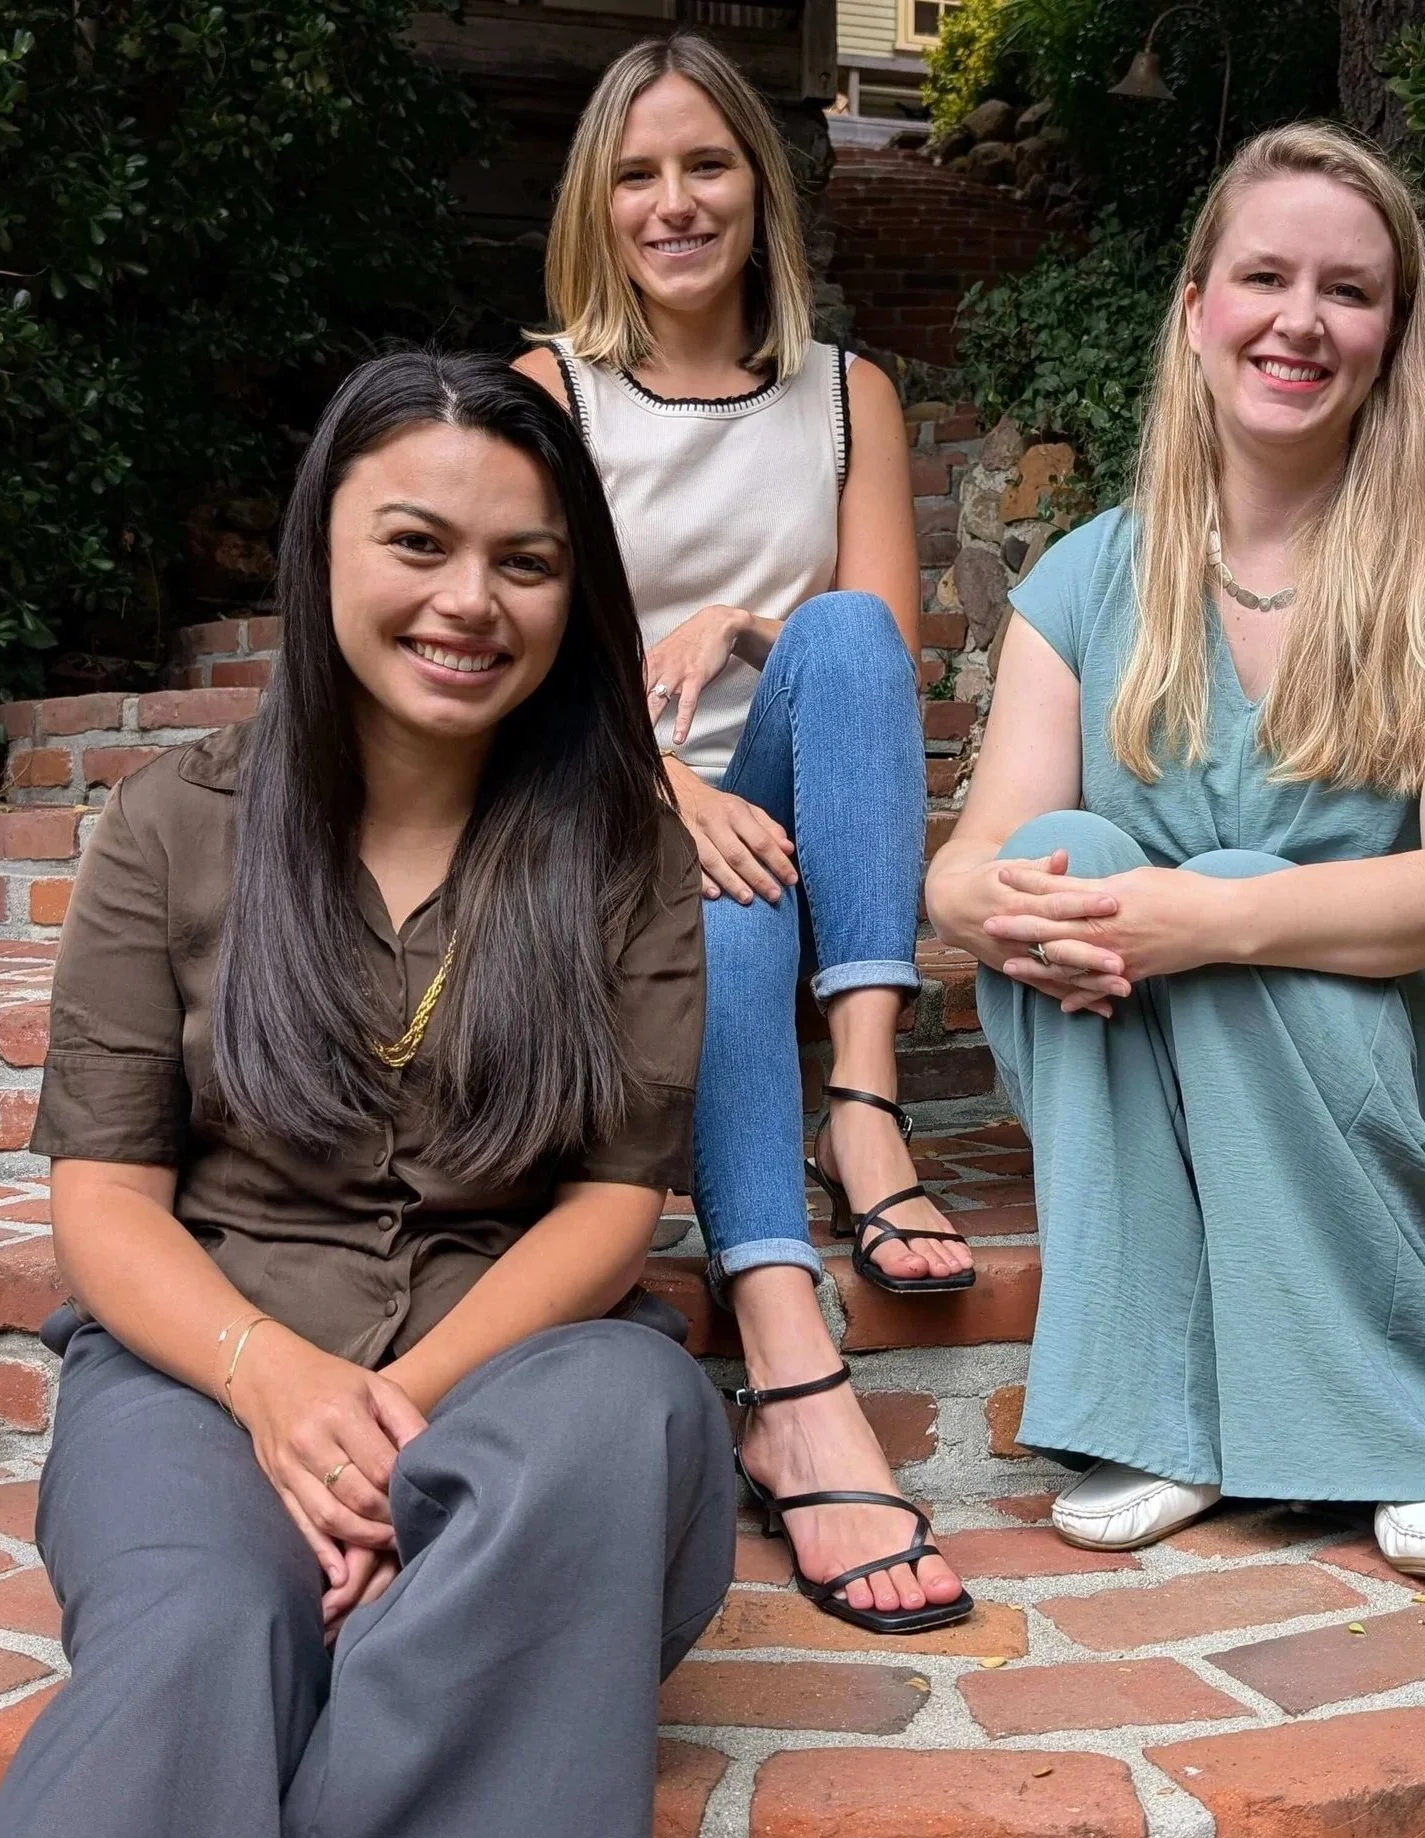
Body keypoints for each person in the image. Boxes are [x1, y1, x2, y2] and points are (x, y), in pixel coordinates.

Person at [0, 353, 733, 1838]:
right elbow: (105, 1198)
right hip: (204, 1369)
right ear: (322, 543)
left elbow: (610, 1204)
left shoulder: (626, 853)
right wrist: (268, 1380)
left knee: (625, 1420)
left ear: (573, 594)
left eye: (526, 563)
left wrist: (387, 1429)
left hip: (517, 1380)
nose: (470, 601)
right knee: (200, 1628)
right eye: (417, 544)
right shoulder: (172, 828)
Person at [926, 124, 1425, 1583]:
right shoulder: (1089, 572)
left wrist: (1210, 922)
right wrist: (984, 899)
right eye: (1266, 277)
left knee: (1217, 888)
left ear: (1393, 335)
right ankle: (1151, 1418)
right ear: (1198, 307)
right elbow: (973, 862)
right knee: (1063, 851)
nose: (1301, 320)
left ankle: (1409, 1433)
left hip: (1418, 1067)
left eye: (1349, 290)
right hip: (1147, 1064)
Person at [516, 31, 972, 1633]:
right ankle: (789, 1364)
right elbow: (523, 670)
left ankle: (863, 1104)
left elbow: (880, 654)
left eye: (706, 164)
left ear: (760, 188)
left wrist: (741, 627)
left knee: (835, 634)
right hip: (602, 814)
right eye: (638, 174)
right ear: (598, 202)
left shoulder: (846, 395)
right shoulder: (549, 399)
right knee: (720, 893)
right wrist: (669, 789)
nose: (675, 202)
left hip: (796, 798)